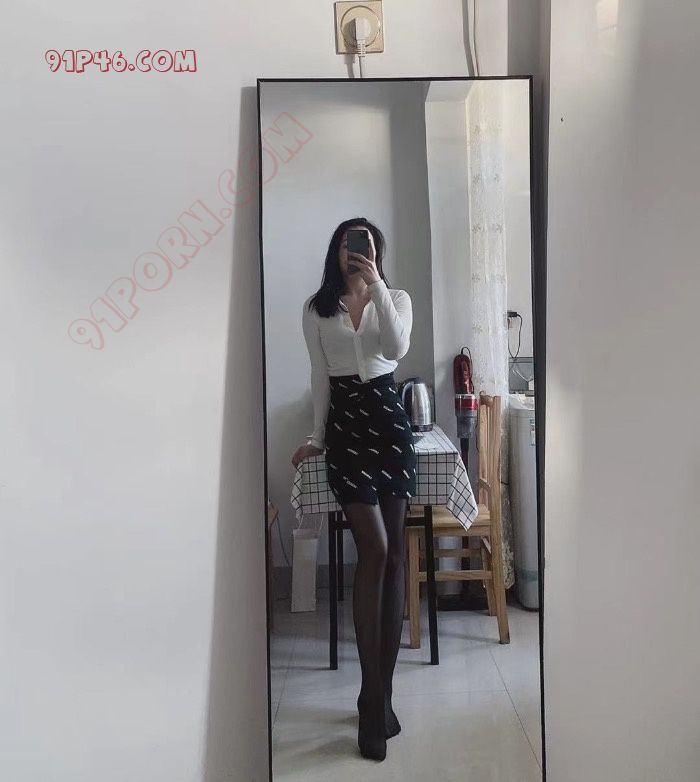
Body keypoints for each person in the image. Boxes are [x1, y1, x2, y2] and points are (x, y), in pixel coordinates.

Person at [291, 217, 416, 762]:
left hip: (390, 424)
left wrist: (377, 286)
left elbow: (397, 347)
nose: (355, 250)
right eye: (348, 243)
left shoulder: (397, 298)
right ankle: (369, 697)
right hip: (347, 428)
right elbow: (319, 375)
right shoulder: (317, 308)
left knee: (394, 559)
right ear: (335, 251)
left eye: (364, 243)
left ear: (376, 251)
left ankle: (381, 696)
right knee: (377, 549)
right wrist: (317, 438)